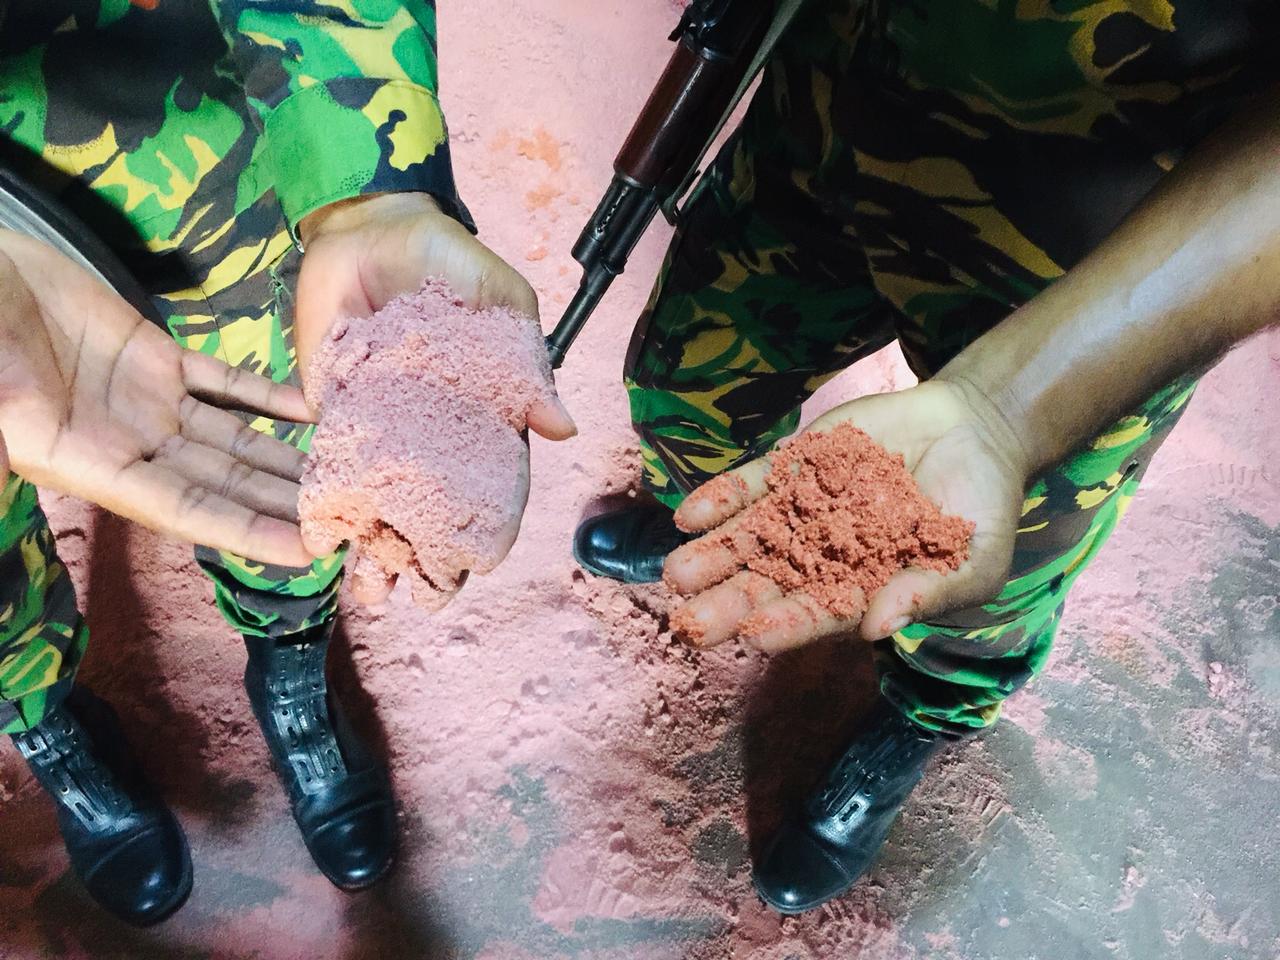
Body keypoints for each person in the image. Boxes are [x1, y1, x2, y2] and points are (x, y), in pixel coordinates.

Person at [573, 0, 1280, 914]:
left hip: (1107, 244)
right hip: (830, 85)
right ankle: (699, 514)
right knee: (686, 379)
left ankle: (923, 714)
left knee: (985, 564)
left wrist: (1007, 410)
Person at [0, 0, 572, 926]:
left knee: (296, 464)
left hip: (178, 142)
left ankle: (289, 661)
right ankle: (37, 714)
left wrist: (368, 190)